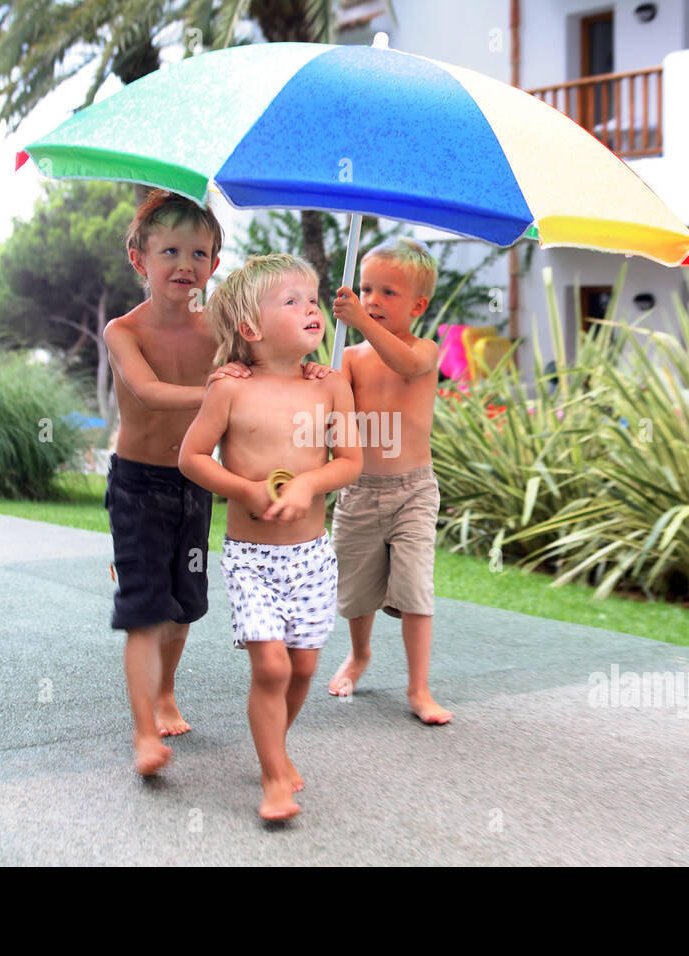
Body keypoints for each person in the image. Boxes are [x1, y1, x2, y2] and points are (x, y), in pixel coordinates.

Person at [104, 191, 327, 777]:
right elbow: (149, 392)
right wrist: (224, 393)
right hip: (139, 485)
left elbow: (267, 361)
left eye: (199, 253)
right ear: (138, 260)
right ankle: (144, 732)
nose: (186, 264)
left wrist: (305, 370)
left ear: (215, 263)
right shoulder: (122, 329)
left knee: (184, 605)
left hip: (197, 485)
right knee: (145, 606)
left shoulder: (215, 333)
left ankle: (167, 688)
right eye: (170, 251)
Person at [179, 253, 362, 820]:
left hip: (312, 557)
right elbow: (190, 458)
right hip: (251, 558)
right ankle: (273, 776)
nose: (312, 308)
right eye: (293, 301)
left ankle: (275, 747)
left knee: (304, 668)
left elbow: (350, 460)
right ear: (252, 329)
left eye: (313, 300)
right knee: (273, 668)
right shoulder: (230, 389)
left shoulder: (329, 386)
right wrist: (245, 490)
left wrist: (309, 485)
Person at [326, 237, 452, 724]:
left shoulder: (424, 349)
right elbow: (340, 413)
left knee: (416, 587)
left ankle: (419, 688)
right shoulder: (352, 358)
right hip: (359, 489)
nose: (373, 301)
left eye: (387, 293)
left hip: (413, 491)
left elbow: (403, 363)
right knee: (357, 588)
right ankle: (359, 656)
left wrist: (359, 320)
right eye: (366, 289)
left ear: (419, 305)